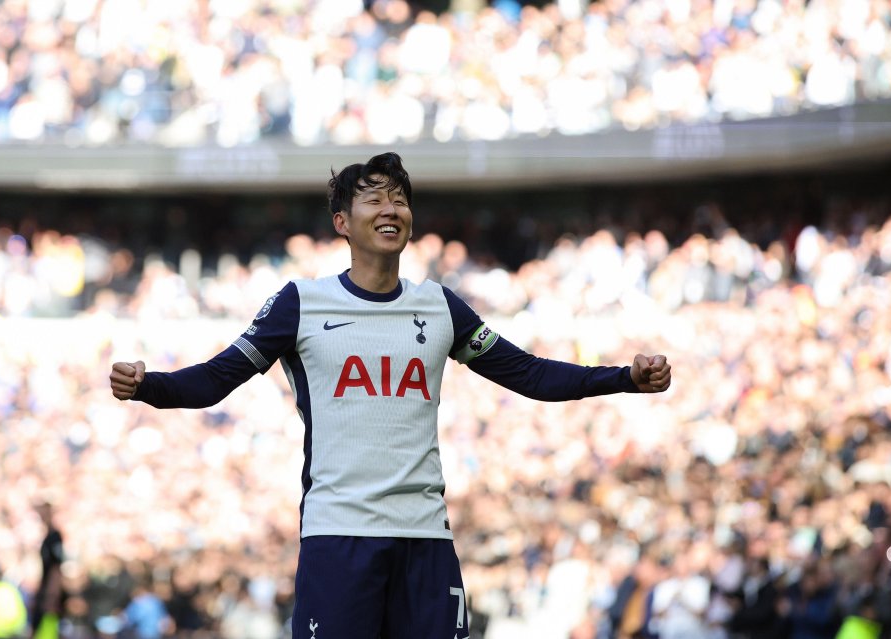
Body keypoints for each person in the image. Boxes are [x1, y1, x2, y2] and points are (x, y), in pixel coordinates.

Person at [109, 151, 672, 639]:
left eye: (400, 200)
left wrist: (622, 377)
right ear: (341, 222)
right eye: (374, 200)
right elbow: (214, 379)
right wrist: (148, 387)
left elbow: (529, 374)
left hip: (424, 536)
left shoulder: (439, 306)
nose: (391, 210)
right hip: (339, 535)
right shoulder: (300, 303)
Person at [30, 501, 65, 639]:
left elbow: (56, 567)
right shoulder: (47, 536)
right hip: (44, 588)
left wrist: (51, 595)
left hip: (49, 592)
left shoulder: (55, 536)